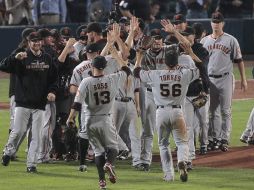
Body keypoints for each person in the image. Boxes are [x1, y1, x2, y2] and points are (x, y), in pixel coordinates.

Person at [133, 20, 204, 181]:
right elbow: (199, 64)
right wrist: (175, 33)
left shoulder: (156, 73)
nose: (157, 40)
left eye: (159, 38)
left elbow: (136, 72)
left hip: (160, 105)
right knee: (181, 141)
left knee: (163, 143)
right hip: (176, 107)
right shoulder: (184, 73)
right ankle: (182, 161)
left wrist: (139, 54)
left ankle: (168, 174)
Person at [66, 53, 131, 189]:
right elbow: (126, 70)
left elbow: (77, 103)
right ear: (105, 67)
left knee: (98, 151)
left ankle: (102, 182)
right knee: (113, 148)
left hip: (89, 120)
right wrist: (118, 55)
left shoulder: (86, 82)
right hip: (105, 119)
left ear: (93, 66)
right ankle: (109, 164)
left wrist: (71, 117)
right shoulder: (113, 78)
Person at [1, 31, 58, 172]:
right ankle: (8, 152)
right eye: (33, 41)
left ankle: (31, 165)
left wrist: (52, 91)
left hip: (39, 104)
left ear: (41, 42)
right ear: (28, 42)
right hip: (23, 102)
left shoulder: (47, 58)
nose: (36, 43)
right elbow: (3, 66)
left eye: (38, 41)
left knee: (36, 136)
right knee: (18, 131)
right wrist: (15, 58)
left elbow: (53, 79)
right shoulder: (22, 56)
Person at [200, 12, 247, 152]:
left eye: (218, 22)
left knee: (225, 111)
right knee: (212, 112)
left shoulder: (231, 40)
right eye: (214, 21)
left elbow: (239, 60)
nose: (216, 24)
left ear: (223, 23)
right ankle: (214, 138)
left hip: (226, 78)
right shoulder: (204, 41)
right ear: (211, 23)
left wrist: (243, 79)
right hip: (210, 79)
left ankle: (224, 139)